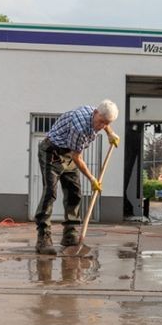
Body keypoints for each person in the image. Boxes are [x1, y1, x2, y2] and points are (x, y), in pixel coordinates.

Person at [34, 99, 120, 254]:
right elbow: (77, 157)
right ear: (95, 113)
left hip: (68, 153)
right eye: (100, 122)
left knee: (74, 192)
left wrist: (110, 133)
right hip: (52, 153)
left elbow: (105, 122)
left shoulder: (99, 113)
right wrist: (93, 179)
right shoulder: (79, 128)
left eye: (105, 123)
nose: (101, 127)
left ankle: (70, 235)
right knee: (50, 193)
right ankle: (43, 238)